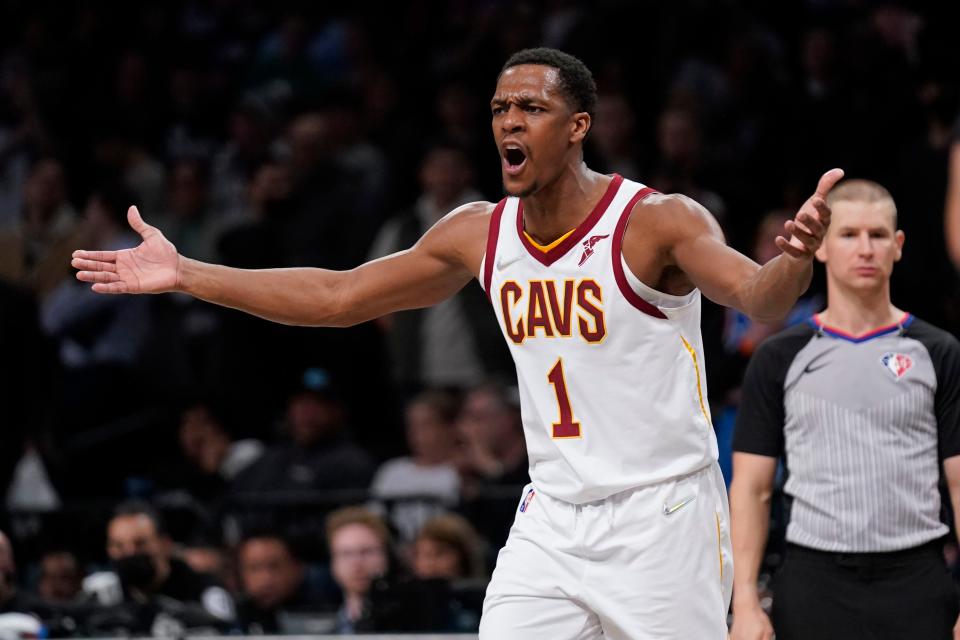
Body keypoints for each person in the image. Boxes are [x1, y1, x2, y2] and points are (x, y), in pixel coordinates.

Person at [73, 47, 842, 638]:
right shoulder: (479, 233)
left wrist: (795, 260)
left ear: (578, 127)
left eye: (532, 108)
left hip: (662, 509)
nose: (510, 121)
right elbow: (339, 297)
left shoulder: (658, 222)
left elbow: (756, 295)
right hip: (553, 513)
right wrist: (187, 274)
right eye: (501, 107)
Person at [729, 179, 960, 640]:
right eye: (849, 235)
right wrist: (746, 602)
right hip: (814, 580)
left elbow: (959, 480)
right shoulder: (779, 358)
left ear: (897, 247)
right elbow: (752, 488)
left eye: (877, 235)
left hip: (917, 577)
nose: (865, 248)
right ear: (821, 248)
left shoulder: (938, 351)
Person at [82, 501, 236, 624]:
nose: (130, 553)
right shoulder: (102, 595)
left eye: (140, 543)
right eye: (118, 546)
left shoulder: (205, 592)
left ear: (165, 544)